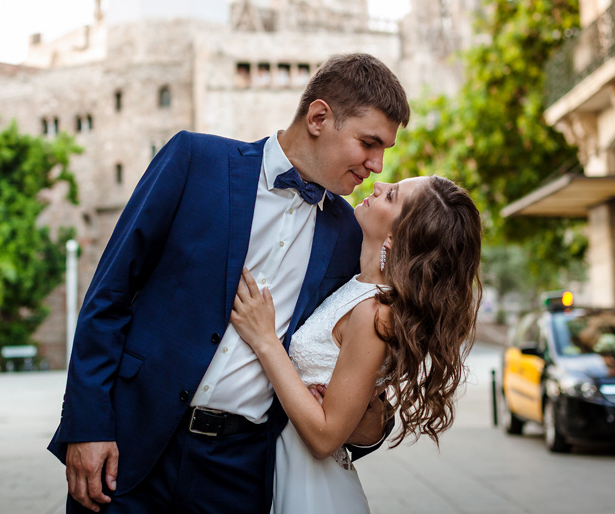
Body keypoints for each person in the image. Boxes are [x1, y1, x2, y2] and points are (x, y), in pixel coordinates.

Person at [48, 53, 411, 513]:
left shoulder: (348, 235)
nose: (377, 165)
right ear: (319, 117)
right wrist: (89, 424)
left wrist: (369, 417)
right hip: (130, 448)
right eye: (369, 143)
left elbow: (350, 353)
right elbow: (109, 295)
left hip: (242, 475)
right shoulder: (194, 161)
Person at [231, 175, 483, 513]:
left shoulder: (375, 313)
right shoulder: (363, 289)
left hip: (311, 486)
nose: (379, 185)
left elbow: (324, 437)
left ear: (397, 237)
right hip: (280, 466)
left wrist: (265, 339)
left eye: (392, 196)